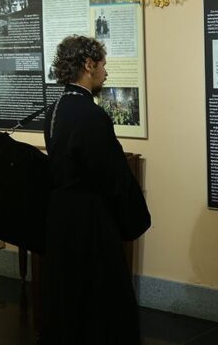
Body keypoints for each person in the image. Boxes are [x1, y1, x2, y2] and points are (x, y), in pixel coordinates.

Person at [43, 35, 150, 344]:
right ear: (88, 65)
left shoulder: (54, 110)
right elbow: (112, 175)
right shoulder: (92, 115)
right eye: (103, 64)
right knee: (100, 303)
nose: (106, 72)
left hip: (61, 219)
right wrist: (135, 218)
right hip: (90, 221)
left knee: (69, 301)